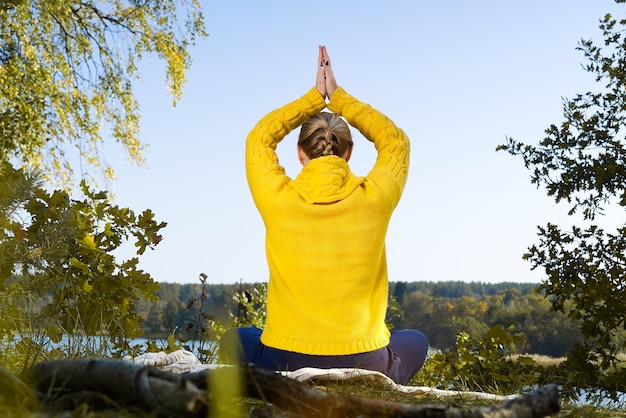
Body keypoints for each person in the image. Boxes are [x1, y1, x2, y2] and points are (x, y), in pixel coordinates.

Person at [218, 46, 428, 385]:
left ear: (300, 153)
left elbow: (258, 140)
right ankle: (375, 383)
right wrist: (338, 97)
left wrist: (314, 98)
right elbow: (396, 143)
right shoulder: (375, 198)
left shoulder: (277, 197)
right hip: (365, 359)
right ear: (349, 153)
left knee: (235, 338)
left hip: (284, 357)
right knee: (416, 340)